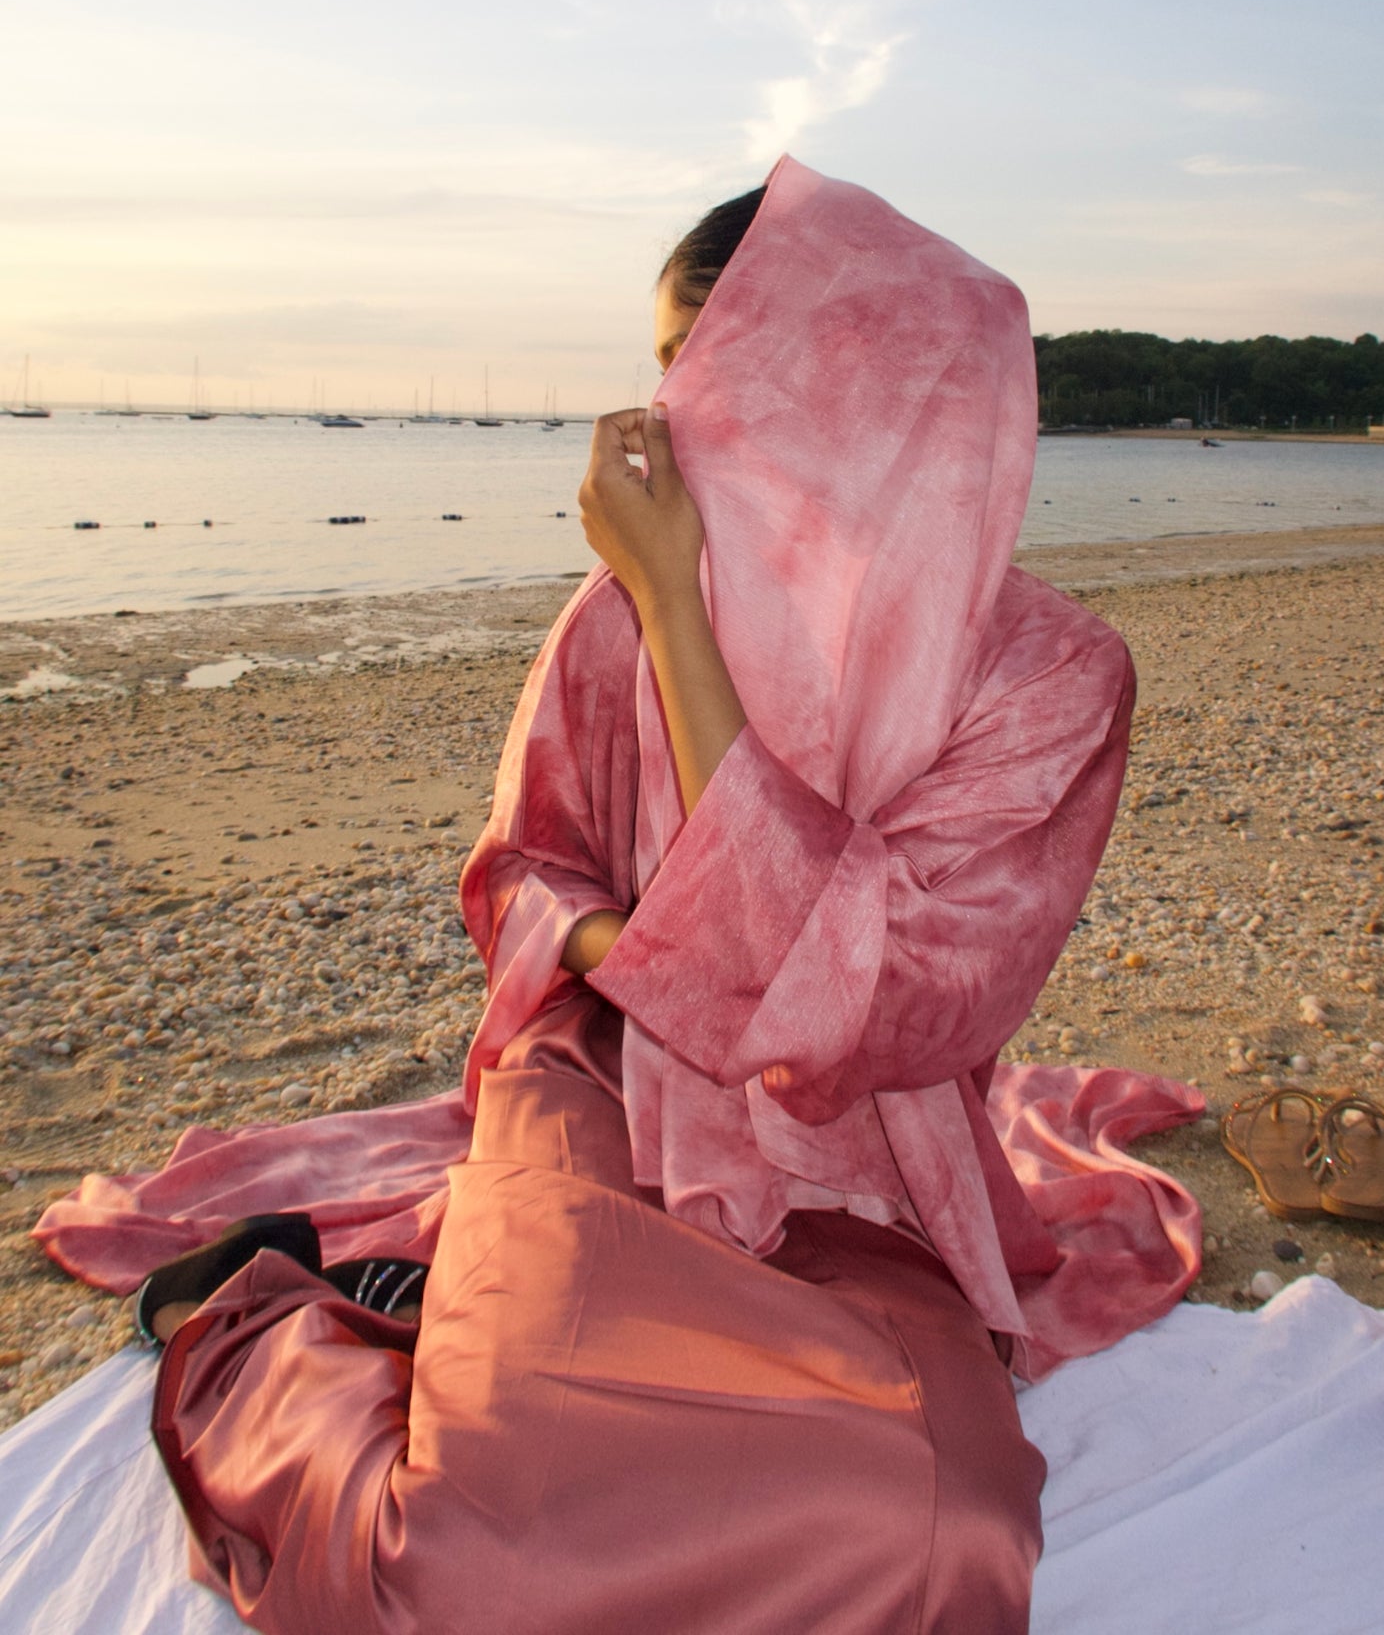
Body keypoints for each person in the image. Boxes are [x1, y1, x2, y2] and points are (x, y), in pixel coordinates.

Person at [37, 156, 1203, 1634]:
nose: (668, 419)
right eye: (664, 369)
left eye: (716, 366)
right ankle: (249, 1327)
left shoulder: (1047, 679)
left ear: (865, 381)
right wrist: (636, 938)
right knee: (468, 1572)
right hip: (604, 1086)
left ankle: (427, 1337)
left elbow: (883, 1005)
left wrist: (674, 618)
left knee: (942, 1543)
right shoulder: (618, 610)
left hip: (861, 1163)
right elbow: (523, 871)